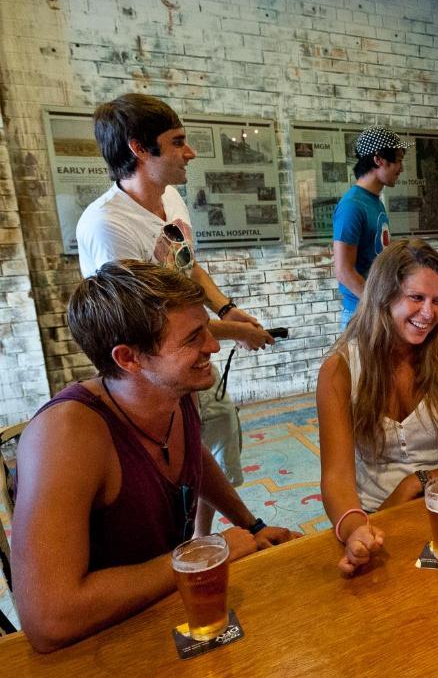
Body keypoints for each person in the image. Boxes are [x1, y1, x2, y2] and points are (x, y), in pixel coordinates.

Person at [12, 261, 299, 653]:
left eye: (207, 331)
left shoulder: (173, 393)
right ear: (129, 358)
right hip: (101, 646)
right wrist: (205, 553)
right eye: (193, 339)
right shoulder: (66, 436)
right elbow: (50, 619)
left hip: (164, 614)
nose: (213, 347)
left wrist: (252, 526)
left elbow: (191, 454)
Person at [75, 93, 274, 537]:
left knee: (213, 440)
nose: (190, 152)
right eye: (178, 141)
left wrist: (225, 308)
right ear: (139, 149)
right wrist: (236, 331)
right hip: (152, 373)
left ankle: (202, 536)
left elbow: (187, 265)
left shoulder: (173, 199)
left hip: (187, 356)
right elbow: (144, 323)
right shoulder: (107, 224)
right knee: (167, 460)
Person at [318, 239, 438, 573]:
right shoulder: (340, 369)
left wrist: (420, 481)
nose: (429, 313)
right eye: (416, 297)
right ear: (383, 295)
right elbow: (336, 478)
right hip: (375, 515)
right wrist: (354, 528)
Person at [332, 126, 410, 330]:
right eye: (399, 160)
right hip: (362, 315)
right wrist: (379, 306)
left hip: (376, 311)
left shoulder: (374, 201)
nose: (401, 168)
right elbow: (343, 270)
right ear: (378, 160)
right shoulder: (352, 206)